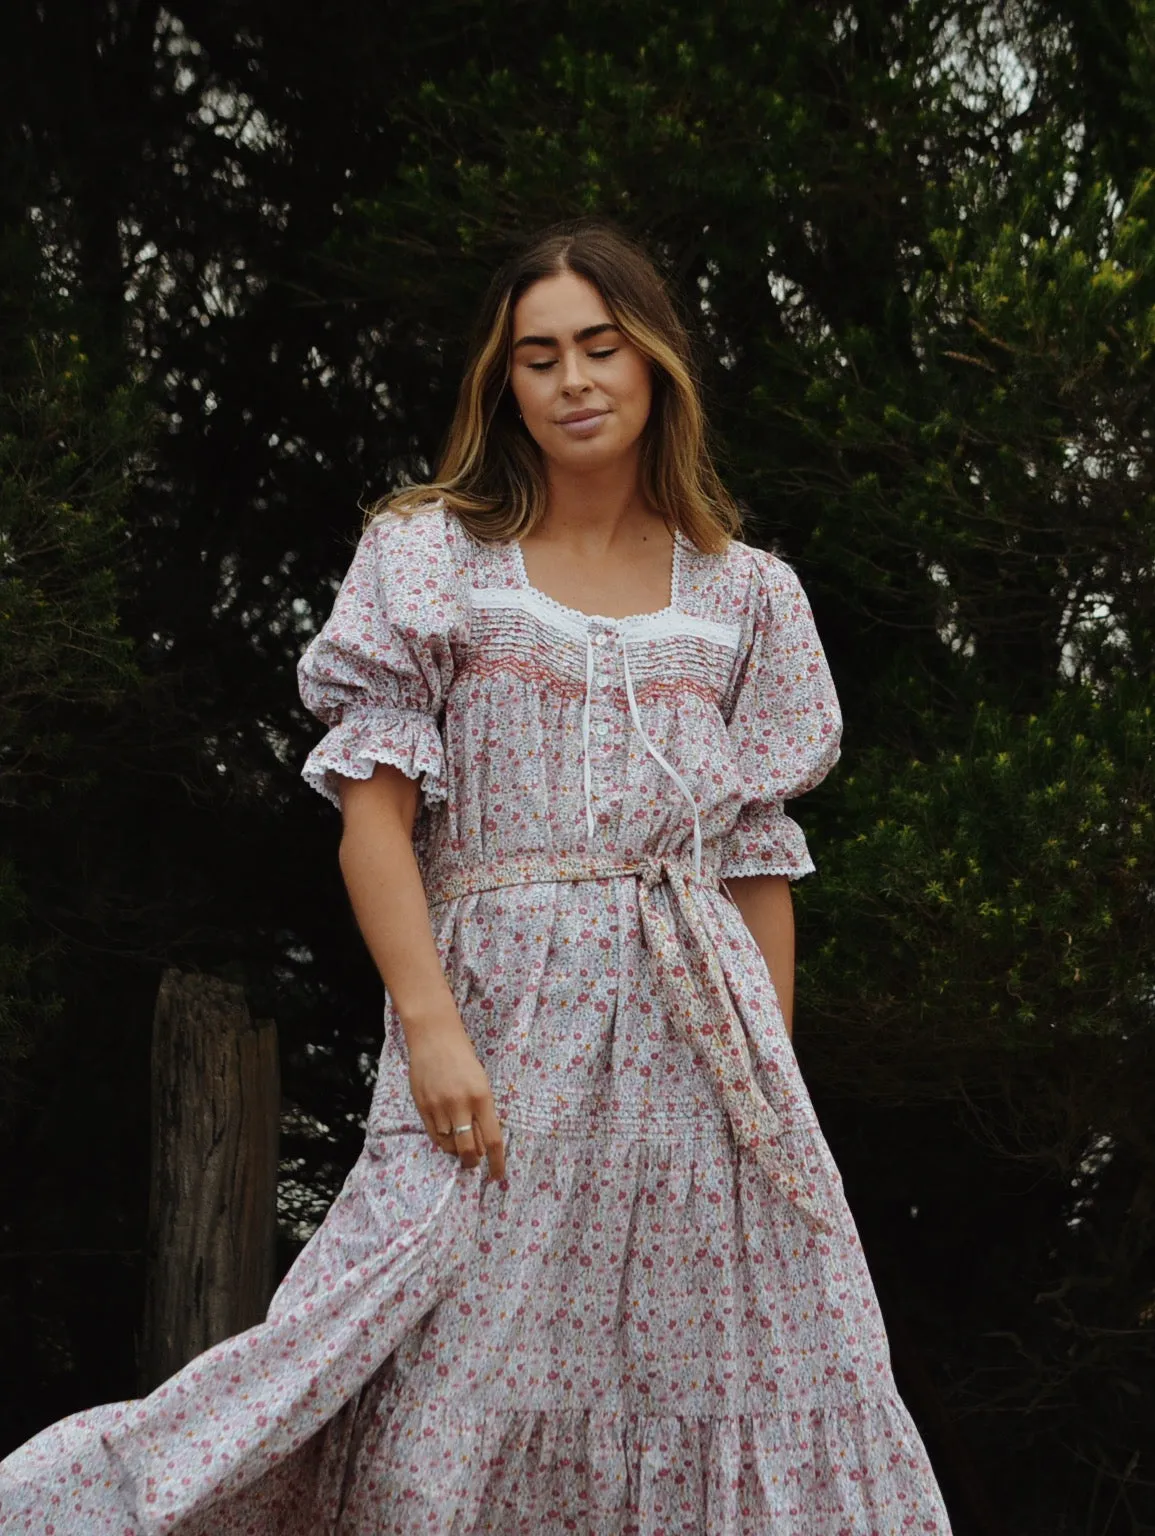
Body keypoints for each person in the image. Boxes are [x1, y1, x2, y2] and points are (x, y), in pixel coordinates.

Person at [0, 220, 953, 1533]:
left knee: (730, 1371)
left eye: (601, 348)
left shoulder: (750, 599)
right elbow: (372, 822)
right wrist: (433, 1028)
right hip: (499, 1026)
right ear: (503, 384)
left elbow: (753, 863)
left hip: (705, 1059)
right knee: (440, 1348)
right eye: (539, 356)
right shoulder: (430, 558)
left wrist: (764, 1090)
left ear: (657, 363)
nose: (574, 380)